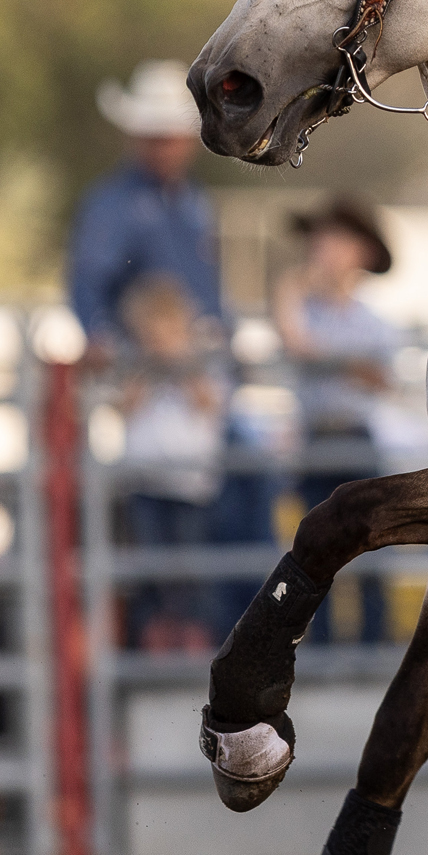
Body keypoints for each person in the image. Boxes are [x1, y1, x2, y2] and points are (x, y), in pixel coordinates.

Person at [273, 197, 399, 643]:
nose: (322, 249)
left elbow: (380, 377)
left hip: (354, 437)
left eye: (335, 240)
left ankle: (373, 644)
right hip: (316, 438)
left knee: (368, 547)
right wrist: (348, 364)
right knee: (313, 552)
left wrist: (331, 360)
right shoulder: (305, 307)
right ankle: (318, 644)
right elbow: (297, 344)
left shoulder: (371, 319)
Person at [68, 60, 224, 361]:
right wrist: (100, 336)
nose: (165, 149)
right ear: (134, 138)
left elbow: (208, 285)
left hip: (195, 364)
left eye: (172, 138)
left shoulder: (196, 201)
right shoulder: (111, 205)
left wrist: (218, 329)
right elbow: (90, 281)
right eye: (155, 139)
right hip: (137, 362)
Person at [116, 274, 226, 651]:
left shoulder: (202, 361)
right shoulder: (136, 367)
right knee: (150, 574)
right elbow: (123, 407)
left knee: (189, 573)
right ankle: (155, 647)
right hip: (146, 484)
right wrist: (147, 370)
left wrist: (182, 365)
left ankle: (194, 646)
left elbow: (209, 403)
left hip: (188, 487)